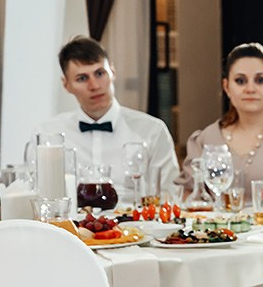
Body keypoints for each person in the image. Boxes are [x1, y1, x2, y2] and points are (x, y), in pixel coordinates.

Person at [34, 36, 179, 199]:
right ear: (66, 85)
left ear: (112, 72)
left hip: (135, 215)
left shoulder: (152, 130)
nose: (94, 86)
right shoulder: (47, 135)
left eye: (99, 73)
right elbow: (37, 193)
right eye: (82, 78)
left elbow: (169, 194)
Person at [175, 42, 263, 200]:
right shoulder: (206, 139)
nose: (250, 89)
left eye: (260, 80)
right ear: (226, 86)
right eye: (240, 81)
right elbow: (189, 198)